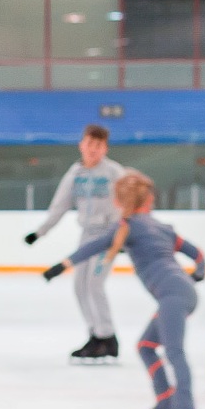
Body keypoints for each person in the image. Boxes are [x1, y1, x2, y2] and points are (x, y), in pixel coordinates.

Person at [45, 171, 205, 409]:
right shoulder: (162, 228)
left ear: (118, 202)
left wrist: (60, 266)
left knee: (174, 352)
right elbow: (199, 255)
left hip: (172, 295)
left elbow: (90, 247)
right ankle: (165, 403)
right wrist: (197, 274)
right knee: (146, 346)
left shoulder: (127, 227)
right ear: (150, 199)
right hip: (181, 291)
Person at [24, 123, 124, 361]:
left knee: (94, 285)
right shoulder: (75, 174)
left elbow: (130, 202)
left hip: (108, 236)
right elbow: (59, 205)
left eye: (98, 145)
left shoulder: (114, 173)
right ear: (81, 144)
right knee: (80, 286)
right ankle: (95, 334)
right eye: (90, 143)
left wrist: (123, 234)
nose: (93, 149)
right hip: (86, 235)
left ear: (105, 148)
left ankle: (107, 337)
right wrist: (40, 232)